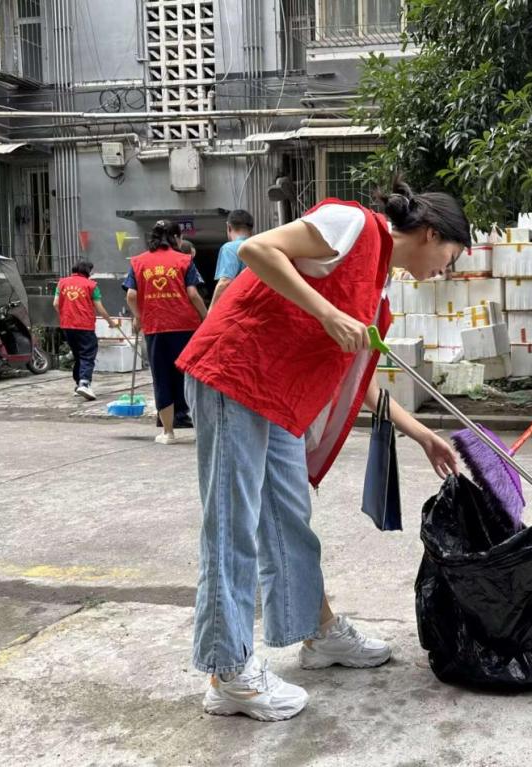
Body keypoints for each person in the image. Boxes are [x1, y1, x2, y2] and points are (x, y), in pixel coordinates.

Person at [175, 179, 469, 722]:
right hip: (234, 373)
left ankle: (318, 630)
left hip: (279, 398)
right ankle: (228, 672)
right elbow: (256, 249)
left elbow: (359, 381)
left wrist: (422, 434)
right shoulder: (352, 224)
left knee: (291, 521)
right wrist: (327, 314)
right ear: (432, 234)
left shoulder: (378, 288)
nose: (444, 271)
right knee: (232, 525)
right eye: (450, 258)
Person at [123, 220, 208, 444]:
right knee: (189, 376)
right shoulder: (184, 260)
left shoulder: (138, 262)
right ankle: (200, 431)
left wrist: (139, 317)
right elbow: (193, 294)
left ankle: (168, 433)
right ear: (177, 238)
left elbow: (131, 295)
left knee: (161, 377)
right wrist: (205, 317)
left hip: (155, 327)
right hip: (185, 326)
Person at [53, 259, 119, 400]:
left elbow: (56, 304)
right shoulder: (91, 285)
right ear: (88, 271)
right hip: (84, 326)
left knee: (78, 355)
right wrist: (110, 322)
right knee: (87, 355)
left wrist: (65, 315)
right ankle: (84, 383)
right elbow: (99, 307)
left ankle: (78, 385)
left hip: (67, 326)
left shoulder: (62, 283)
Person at [210, 208, 253, 308]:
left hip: (239, 307)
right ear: (251, 230)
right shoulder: (260, 247)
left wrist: (212, 309)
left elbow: (225, 282)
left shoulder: (229, 248)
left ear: (229, 227)